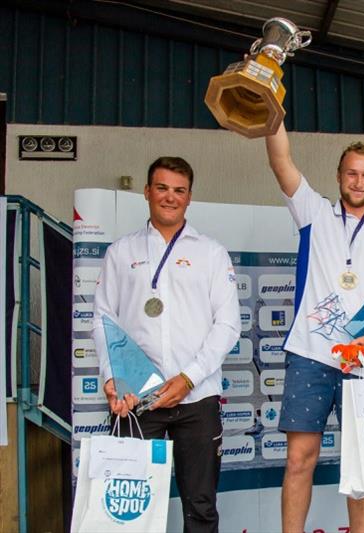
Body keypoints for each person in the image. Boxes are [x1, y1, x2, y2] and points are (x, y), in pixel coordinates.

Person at [264, 122, 364, 533]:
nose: (359, 181)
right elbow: (281, 162)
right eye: (352, 172)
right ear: (339, 175)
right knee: (299, 459)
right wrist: (270, 112)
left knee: (362, 464)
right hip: (311, 356)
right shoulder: (313, 212)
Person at [92, 156, 241, 532]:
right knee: (128, 511)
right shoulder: (120, 252)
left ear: (190, 197)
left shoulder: (211, 252)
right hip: (136, 397)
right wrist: (112, 376)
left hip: (197, 398)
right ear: (146, 192)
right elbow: (103, 320)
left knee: (201, 509)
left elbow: (228, 325)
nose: (170, 197)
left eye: (179, 190)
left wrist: (187, 379)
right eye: (162, 188)